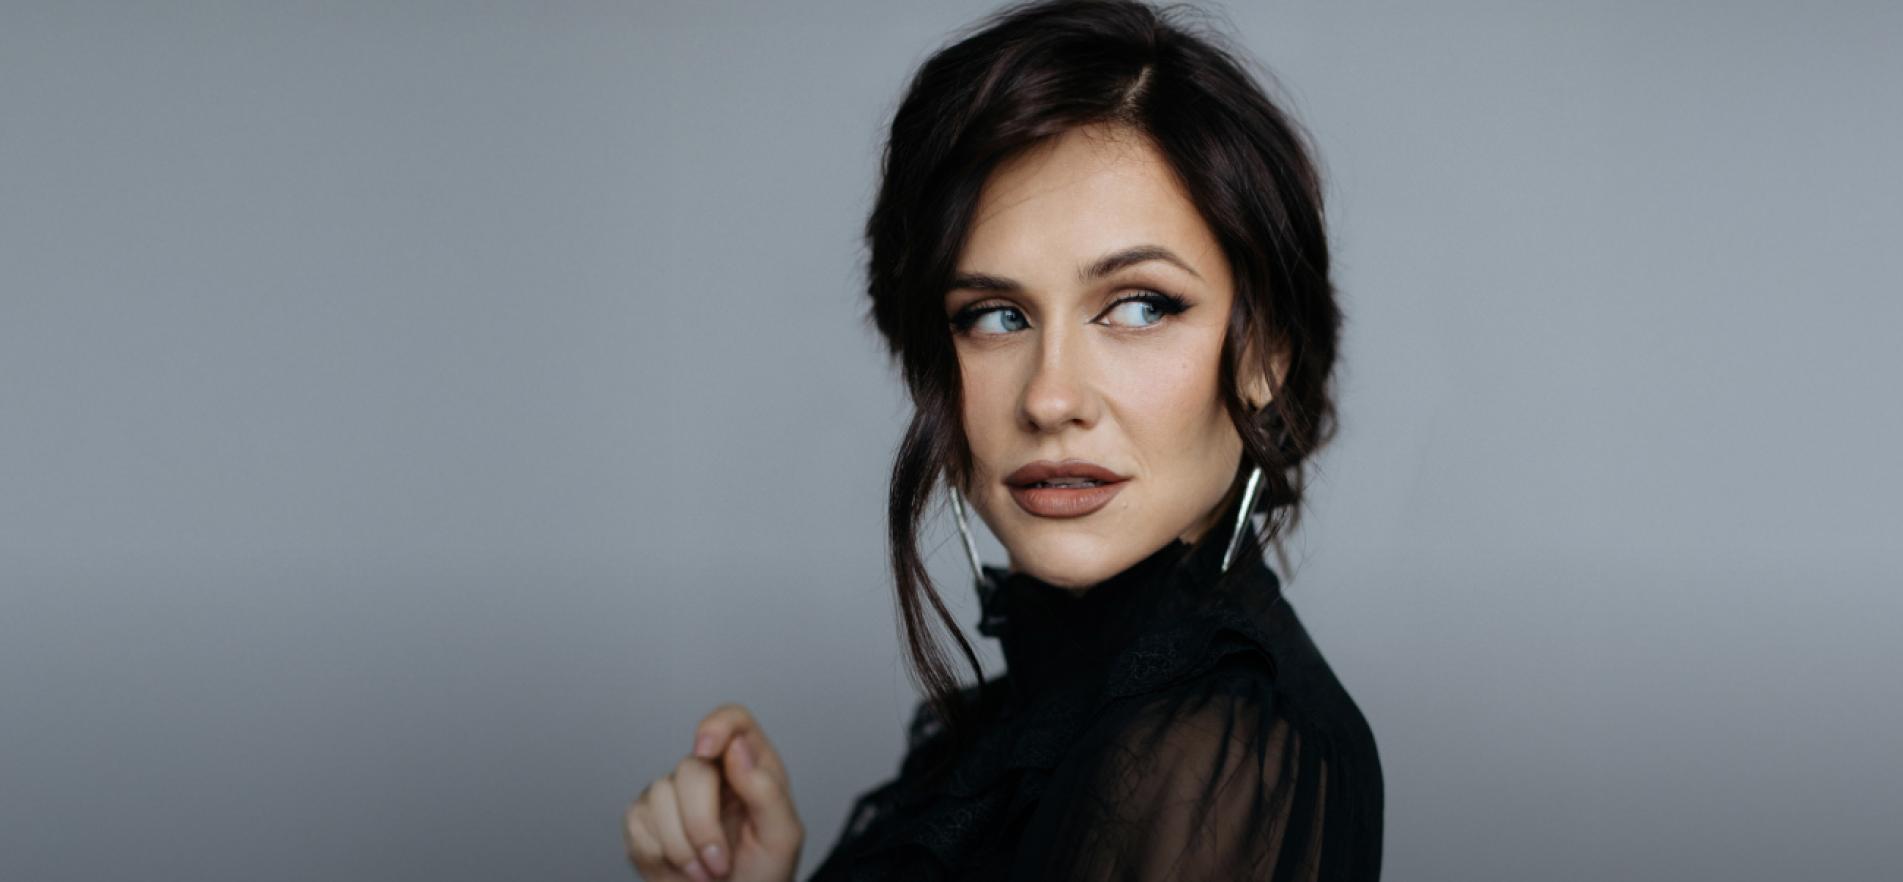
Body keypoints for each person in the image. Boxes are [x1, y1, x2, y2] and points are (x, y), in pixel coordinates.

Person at [624, 1, 1383, 879]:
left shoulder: (1208, 750)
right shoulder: (1031, 724)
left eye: (1139, 306)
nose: (1050, 398)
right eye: (994, 315)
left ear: (1262, 356)